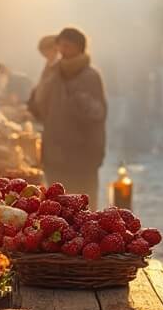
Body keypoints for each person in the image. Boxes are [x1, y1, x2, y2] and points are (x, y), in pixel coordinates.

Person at [27, 27, 107, 201]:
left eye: (67, 46)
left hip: (82, 157)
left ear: (79, 48)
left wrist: (76, 96)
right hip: (54, 155)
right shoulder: (53, 73)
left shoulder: (90, 76)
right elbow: (38, 105)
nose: (62, 51)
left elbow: (97, 114)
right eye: (60, 46)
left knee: (83, 209)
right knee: (57, 207)